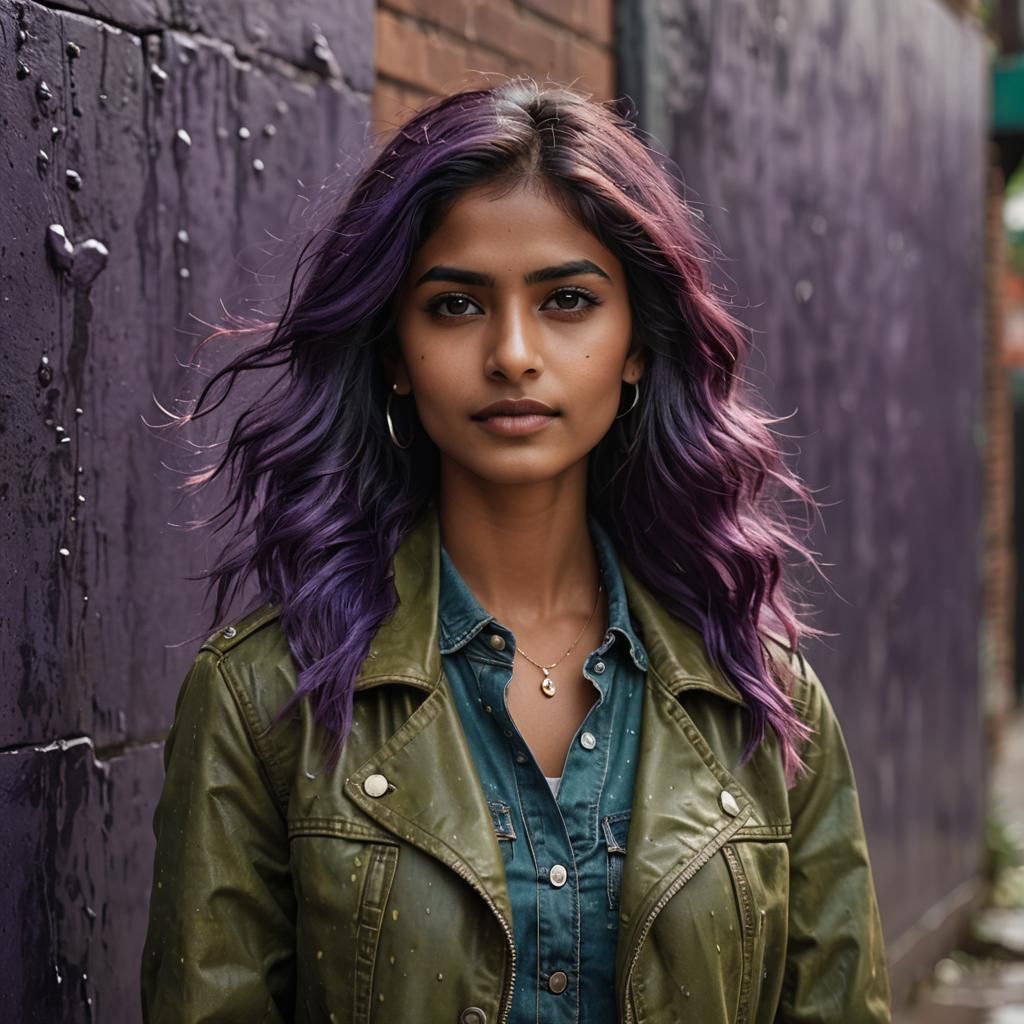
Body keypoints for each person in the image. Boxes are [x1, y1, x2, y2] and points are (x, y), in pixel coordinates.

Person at [141, 78, 891, 1023]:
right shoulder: (262, 701)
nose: (513, 353)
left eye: (568, 300)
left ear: (636, 345)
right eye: (455, 306)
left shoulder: (762, 703)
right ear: (393, 352)